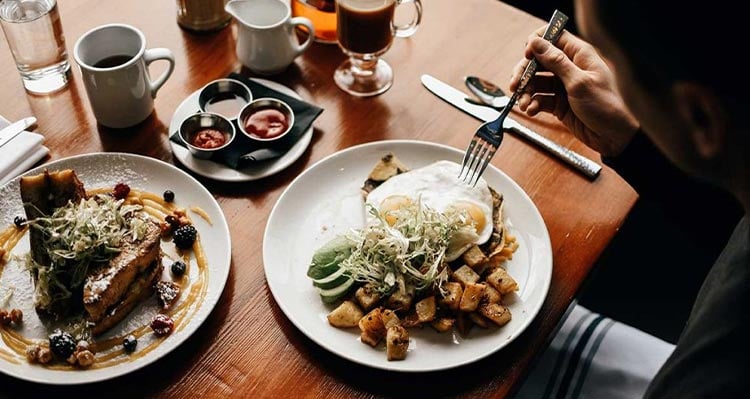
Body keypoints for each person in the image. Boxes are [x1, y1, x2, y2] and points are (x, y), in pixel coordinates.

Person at [508, 0, 749, 397]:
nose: (608, 81)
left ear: (700, 117)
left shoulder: (713, 375)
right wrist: (633, 141)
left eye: (617, 67)